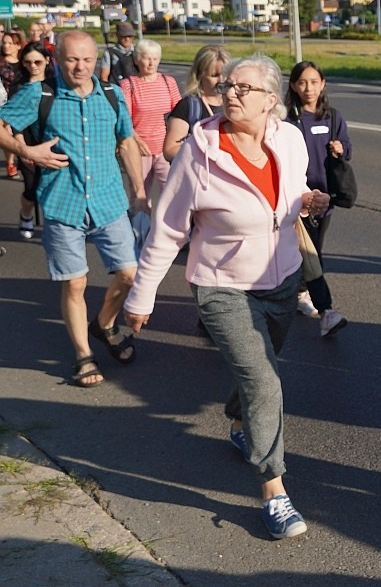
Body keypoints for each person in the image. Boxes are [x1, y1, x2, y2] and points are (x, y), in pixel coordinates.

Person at [123, 54, 329, 539]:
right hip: (221, 285)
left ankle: (239, 423)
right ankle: (274, 491)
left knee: (261, 368)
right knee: (265, 381)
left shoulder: (289, 139)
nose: (230, 93)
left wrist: (306, 200)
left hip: (282, 279)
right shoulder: (200, 152)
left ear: (270, 100)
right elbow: (168, 229)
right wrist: (141, 296)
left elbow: (292, 189)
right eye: (228, 85)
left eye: (243, 87)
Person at [0, 31, 147, 388]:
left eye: (87, 59)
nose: (80, 67)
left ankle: (103, 324)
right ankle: (84, 355)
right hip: (62, 202)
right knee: (75, 282)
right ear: (58, 60)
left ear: (96, 59)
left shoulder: (112, 94)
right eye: (72, 59)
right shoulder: (40, 94)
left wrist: (140, 191)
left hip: (109, 200)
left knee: (130, 274)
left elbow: (126, 141)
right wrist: (27, 151)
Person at [285, 60, 352, 337]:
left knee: (314, 247)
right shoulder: (288, 119)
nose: (308, 88)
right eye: (302, 82)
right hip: (298, 197)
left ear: (323, 84)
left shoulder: (332, 117)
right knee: (311, 251)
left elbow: (348, 149)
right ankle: (324, 309)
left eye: (314, 82)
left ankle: (299, 290)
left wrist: (340, 148)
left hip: (325, 195)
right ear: (293, 86)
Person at [120, 39, 180, 204]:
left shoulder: (168, 82)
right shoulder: (128, 85)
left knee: (173, 194)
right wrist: (137, 141)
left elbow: (179, 114)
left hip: (165, 148)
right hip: (140, 149)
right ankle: (140, 221)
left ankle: (168, 221)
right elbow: (124, 118)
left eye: (155, 58)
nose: (151, 63)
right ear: (137, 59)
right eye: (147, 58)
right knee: (140, 196)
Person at [164, 44, 230, 163]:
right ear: (200, 75)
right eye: (214, 75)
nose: (221, 80)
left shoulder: (234, 102)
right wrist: (205, 152)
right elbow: (170, 150)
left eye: (224, 74)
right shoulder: (189, 106)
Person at [12, 42, 51, 239]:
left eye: (37, 62)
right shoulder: (19, 87)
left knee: (54, 187)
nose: (33, 66)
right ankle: (26, 213)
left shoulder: (55, 85)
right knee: (32, 188)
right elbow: (14, 122)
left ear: (47, 61)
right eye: (27, 62)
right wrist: (22, 147)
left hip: (52, 141)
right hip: (28, 141)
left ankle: (55, 226)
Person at [1, 29, 27, 178]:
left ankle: (23, 158)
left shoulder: (25, 63)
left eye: (10, 43)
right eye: (4, 43)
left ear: (18, 45)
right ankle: (10, 162)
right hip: (4, 103)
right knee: (8, 133)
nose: (6, 46)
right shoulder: (1, 63)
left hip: (22, 102)